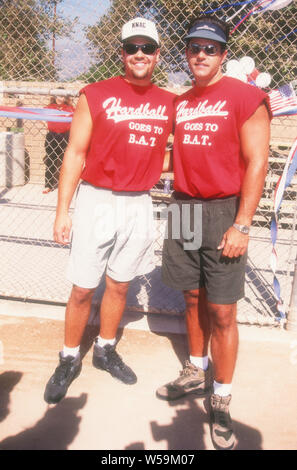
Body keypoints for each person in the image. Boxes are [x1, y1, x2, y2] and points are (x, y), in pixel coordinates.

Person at [44, 18, 175, 404]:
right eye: (132, 47)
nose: (139, 54)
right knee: (84, 286)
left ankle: (104, 349)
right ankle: (69, 357)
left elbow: (173, 154)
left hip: (138, 203)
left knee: (120, 283)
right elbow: (75, 152)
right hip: (96, 198)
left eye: (147, 47)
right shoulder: (95, 94)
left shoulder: (170, 102)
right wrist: (62, 210)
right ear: (121, 52)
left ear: (157, 54)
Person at [156, 15, 271, 450]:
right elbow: (168, 157)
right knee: (189, 295)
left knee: (222, 310)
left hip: (225, 211)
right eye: (193, 47)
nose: (200, 54)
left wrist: (243, 223)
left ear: (224, 53)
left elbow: (256, 162)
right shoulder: (180, 101)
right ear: (186, 53)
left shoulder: (247, 97)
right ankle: (195, 368)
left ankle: (220, 397)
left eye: (210, 47)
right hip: (185, 206)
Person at [43, 92, 75, 194]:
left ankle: (65, 185)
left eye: (61, 96)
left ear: (65, 98)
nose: (59, 98)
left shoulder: (69, 109)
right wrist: (46, 125)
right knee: (50, 160)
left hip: (65, 136)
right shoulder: (50, 107)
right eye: (57, 95)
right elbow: (39, 115)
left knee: (65, 162)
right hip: (52, 136)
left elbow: (76, 118)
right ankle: (48, 185)